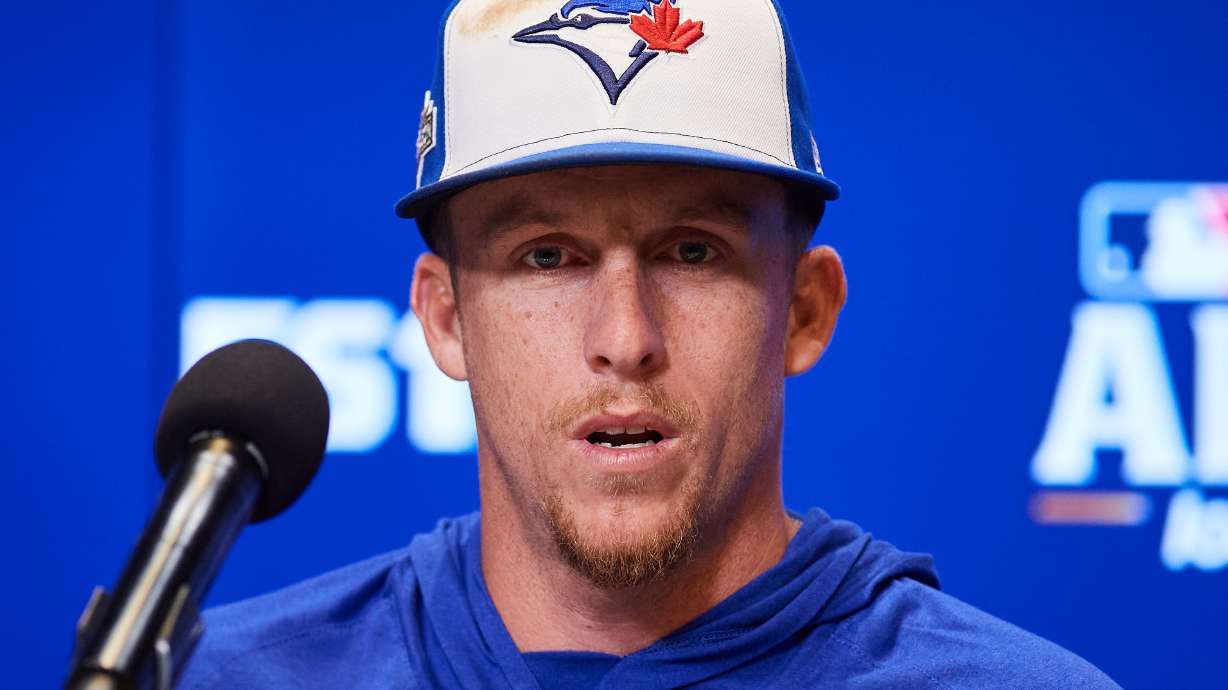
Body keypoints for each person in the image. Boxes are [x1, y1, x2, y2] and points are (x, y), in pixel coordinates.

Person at [180, 0, 1121, 687]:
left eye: (692, 252)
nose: (624, 339)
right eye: (547, 256)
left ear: (805, 309)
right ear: (445, 318)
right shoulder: (214, 678)